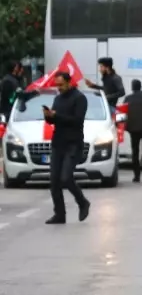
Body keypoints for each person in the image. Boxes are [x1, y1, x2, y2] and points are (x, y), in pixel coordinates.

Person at [43, 72, 91, 224]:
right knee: (54, 181)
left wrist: (56, 116)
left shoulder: (79, 98)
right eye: (56, 85)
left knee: (66, 177)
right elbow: (53, 121)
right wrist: (48, 116)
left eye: (61, 84)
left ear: (69, 82)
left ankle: (82, 202)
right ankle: (60, 214)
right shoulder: (57, 99)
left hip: (73, 143)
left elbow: (77, 120)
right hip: (58, 143)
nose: (58, 88)